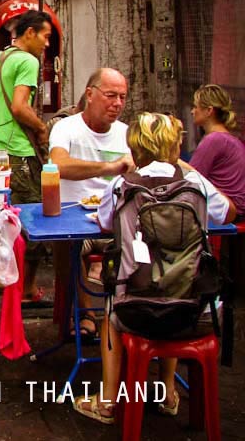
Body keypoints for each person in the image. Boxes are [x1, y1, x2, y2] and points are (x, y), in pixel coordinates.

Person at [73, 112, 235, 424]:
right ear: (174, 147)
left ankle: (107, 402)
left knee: (111, 312)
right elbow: (227, 212)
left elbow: (107, 223)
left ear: (136, 149)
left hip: (134, 306)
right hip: (192, 307)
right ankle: (169, 392)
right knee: (174, 279)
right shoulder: (196, 183)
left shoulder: (122, 185)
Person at [48, 68, 135, 338]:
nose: (117, 104)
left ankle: (129, 312)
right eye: (110, 95)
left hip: (116, 222)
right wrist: (108, 166)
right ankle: (86, 313)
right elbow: (58, 165)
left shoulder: (126, 133)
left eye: (122, 97)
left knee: (144, 242)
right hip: (75, 219)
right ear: (89, 94)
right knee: (66, 245)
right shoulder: (66, 128)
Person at [0, 10, 52, 303]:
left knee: (1, 220)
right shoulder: (27, 60)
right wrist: (41, 129)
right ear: (29, 34)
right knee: (32, 220)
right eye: (45, 36)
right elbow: (19, 107)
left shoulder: (0, 58)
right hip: (20, 154)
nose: (47, 44)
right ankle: (25, 288)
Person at [189, 84, 245, 221]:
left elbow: (192, 177)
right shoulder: (227, 138)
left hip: (230, 209)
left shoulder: (214, 140)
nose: (192, 111)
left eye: (196, 107)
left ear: (209, 111)